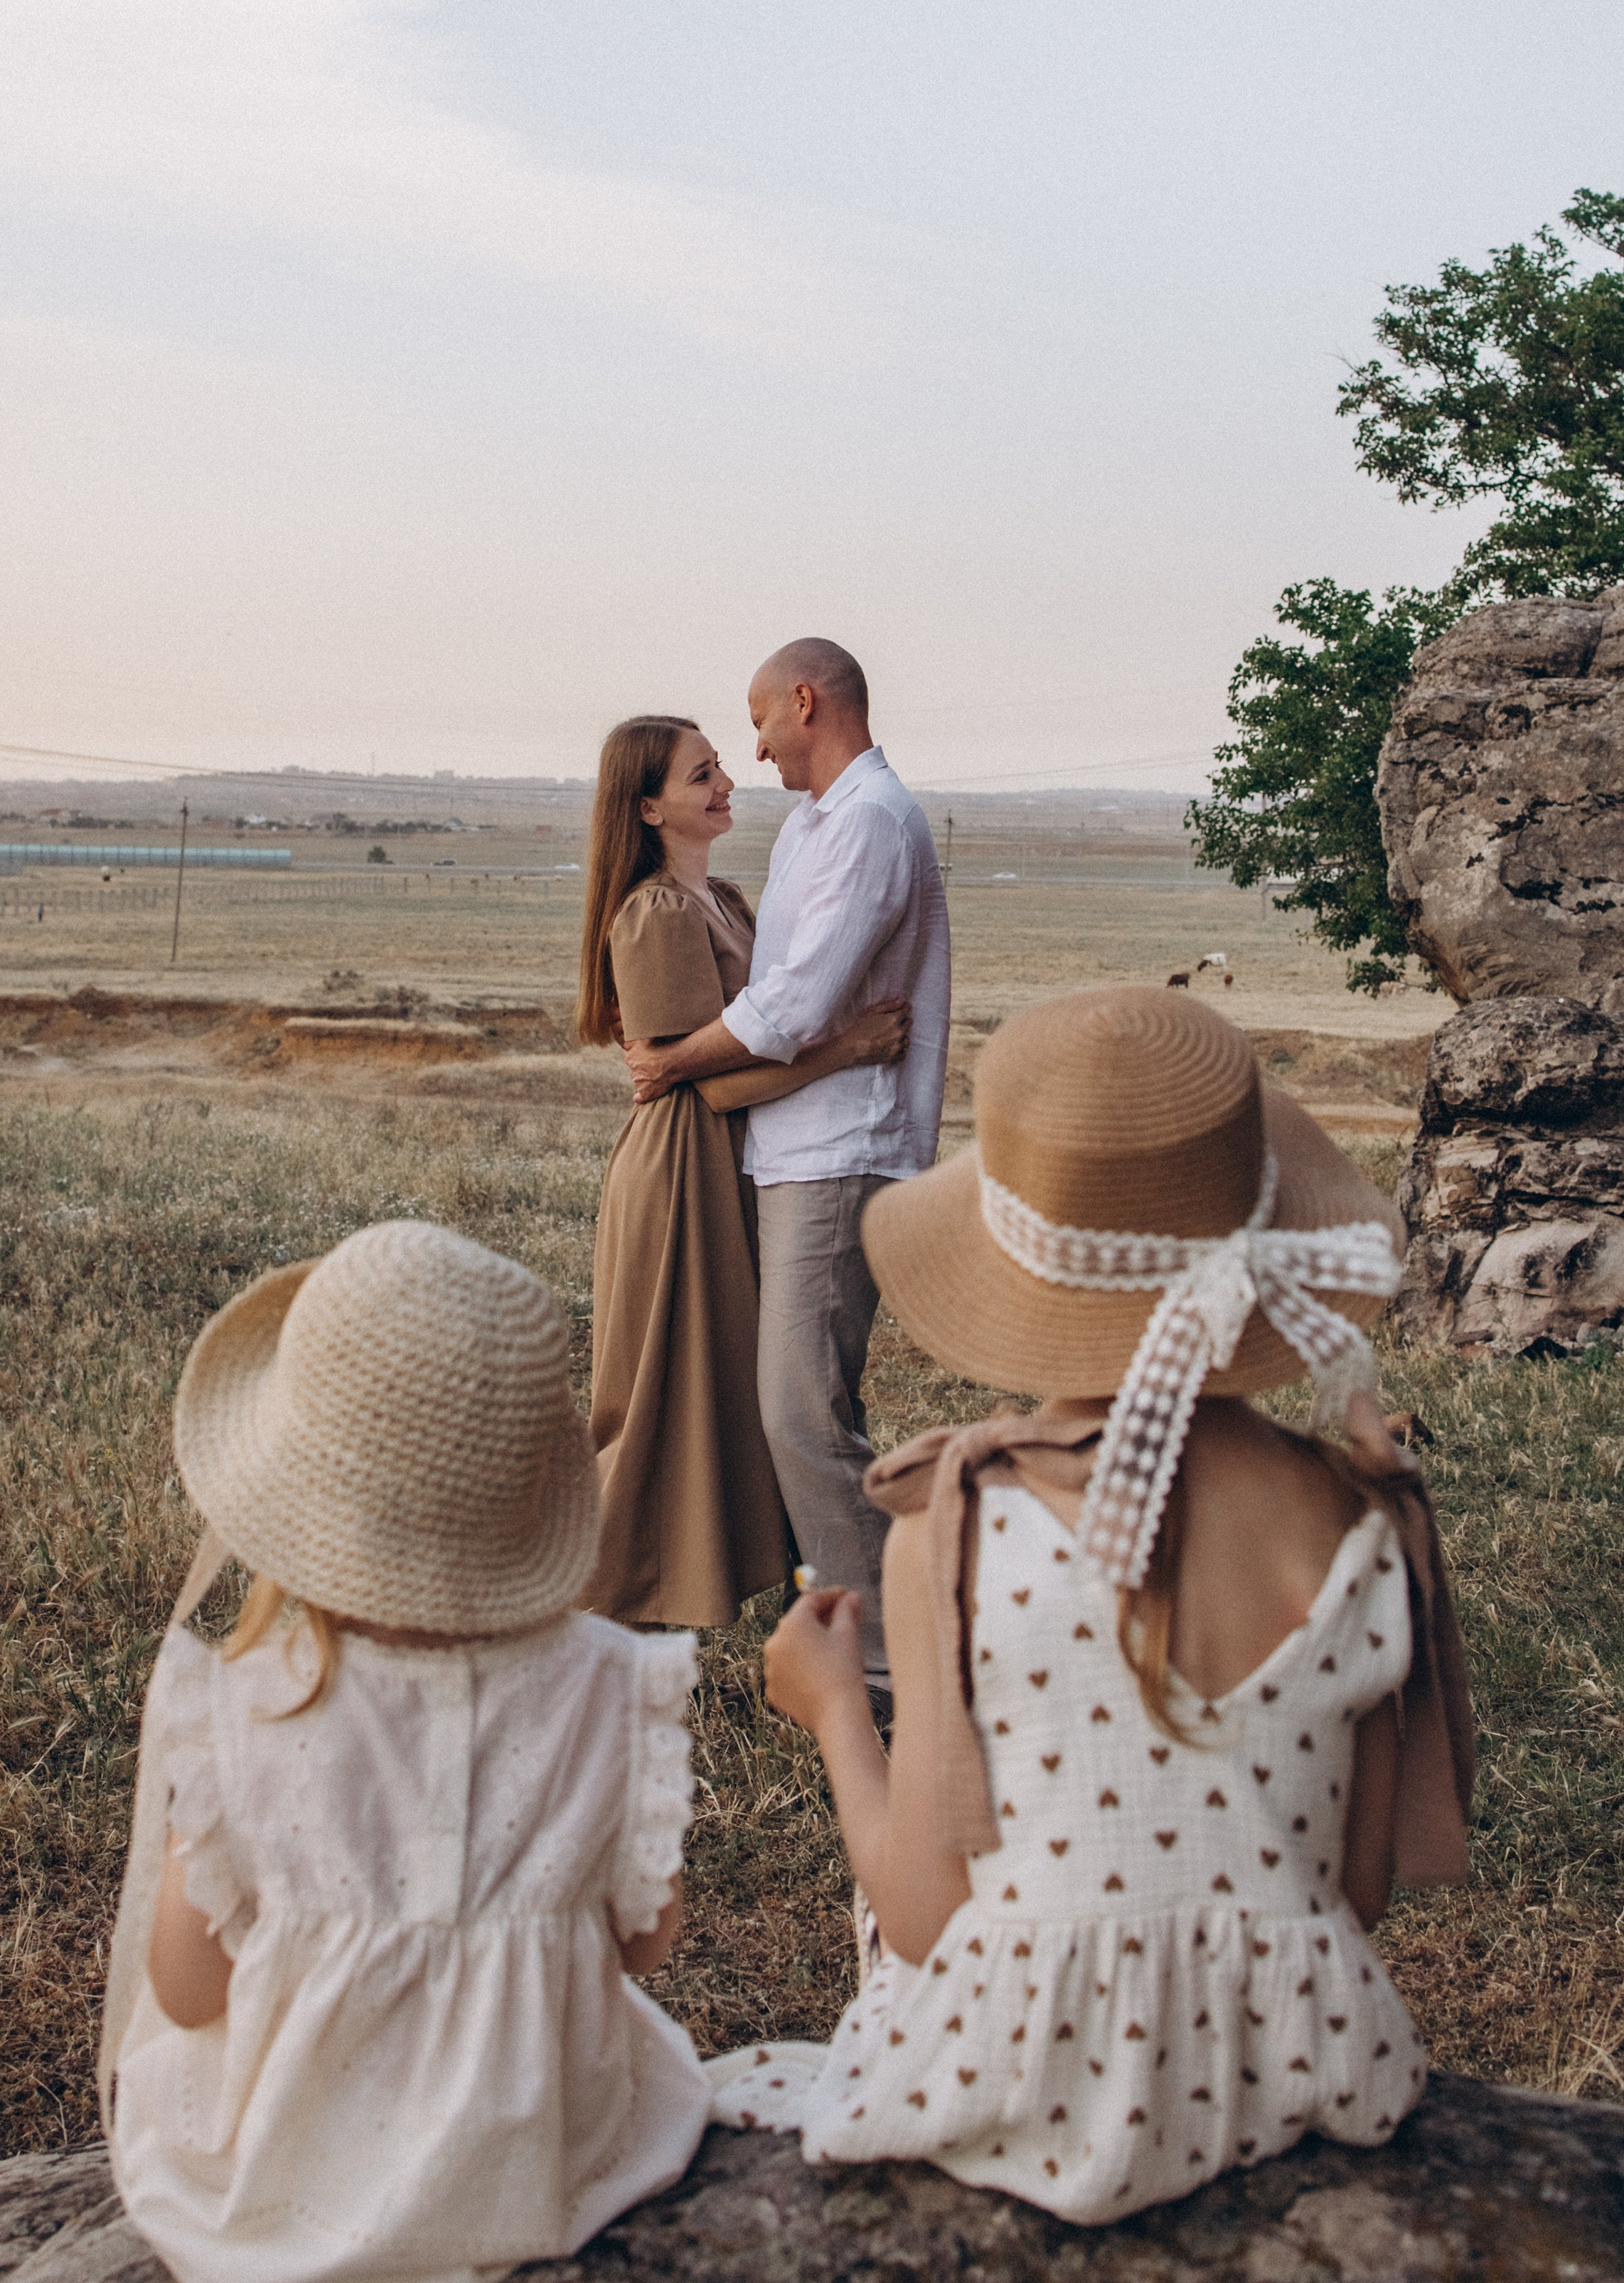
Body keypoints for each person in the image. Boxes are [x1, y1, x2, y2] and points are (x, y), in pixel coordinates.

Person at [704, 988, 1474, 2227]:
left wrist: (837, 1709)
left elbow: (922, 1921)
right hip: (1292, 2072)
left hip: (1016, 2085)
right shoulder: (1357, 1516)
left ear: (1007, 1262)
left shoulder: (954, 1526)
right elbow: (1358, 1890)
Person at [98, 1220, 710, 2283]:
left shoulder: (246, 1709)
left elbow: (190, 1990)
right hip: (546, 2160)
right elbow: (645, 1945)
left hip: (292, 2183)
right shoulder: (616, 1684)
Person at [624, 642, 950, 1705]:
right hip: (792, 1148)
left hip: (839, 1148)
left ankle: (892, 1667)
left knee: (801, 1414)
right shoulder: (817, 825)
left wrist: (674, 1061)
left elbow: (797, 1005)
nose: (754, 752)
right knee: (804, 1404)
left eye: (759, 724)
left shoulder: (867, 822)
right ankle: (847, 1623)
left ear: (807, 703)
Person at [579, 715, 911, 1627]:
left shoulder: (722, 896)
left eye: (719, 765)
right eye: (700, 776)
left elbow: (746, 1035)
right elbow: (705, 1086)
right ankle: (589, 1595)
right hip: (682, 1169)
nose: (726, 781)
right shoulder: (655, 914)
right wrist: (847, 1048)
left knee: (737, 1394)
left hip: (729, 1166)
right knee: (661, 1403)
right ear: (648, 807)